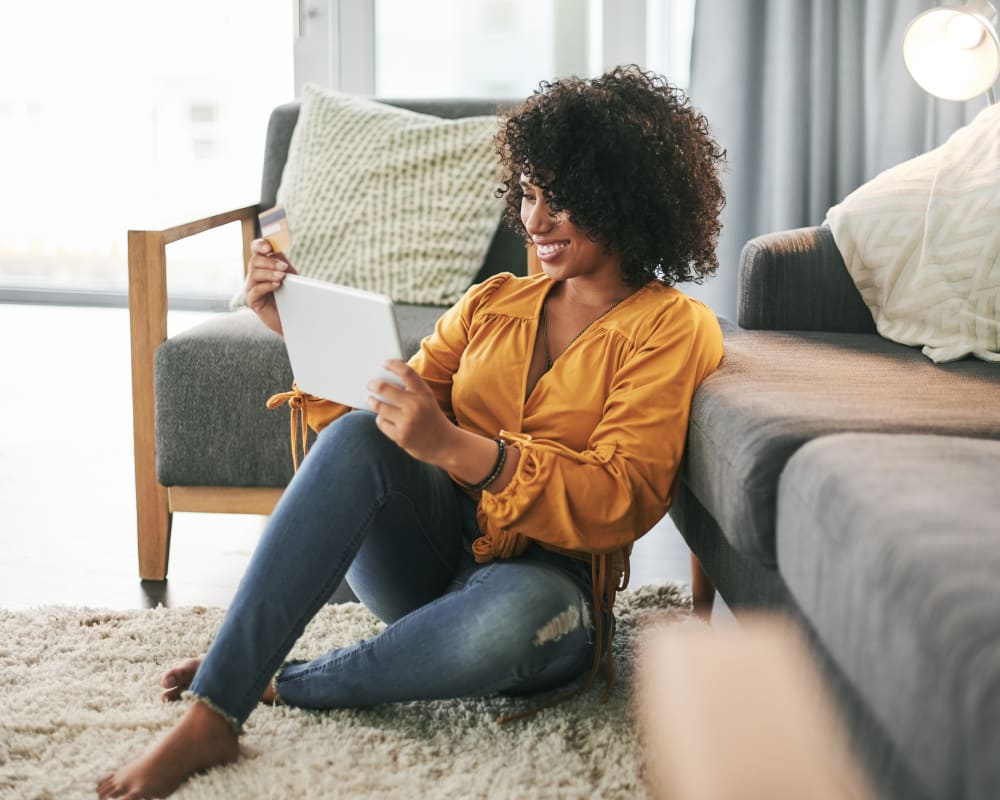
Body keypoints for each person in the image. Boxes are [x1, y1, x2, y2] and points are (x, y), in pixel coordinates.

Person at [98, 64, 726, 799]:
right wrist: (289, 328)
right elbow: (383, 421)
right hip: (426, 554)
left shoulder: (672, 329)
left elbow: (622, 494)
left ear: (625, 199)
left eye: (564, 199)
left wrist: (463, 450)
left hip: (548, 586)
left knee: (510, 625)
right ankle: (215, 712)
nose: (535, 222)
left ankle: (291, 684)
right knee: (362, 437)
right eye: (528, 194)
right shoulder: (492, 301)